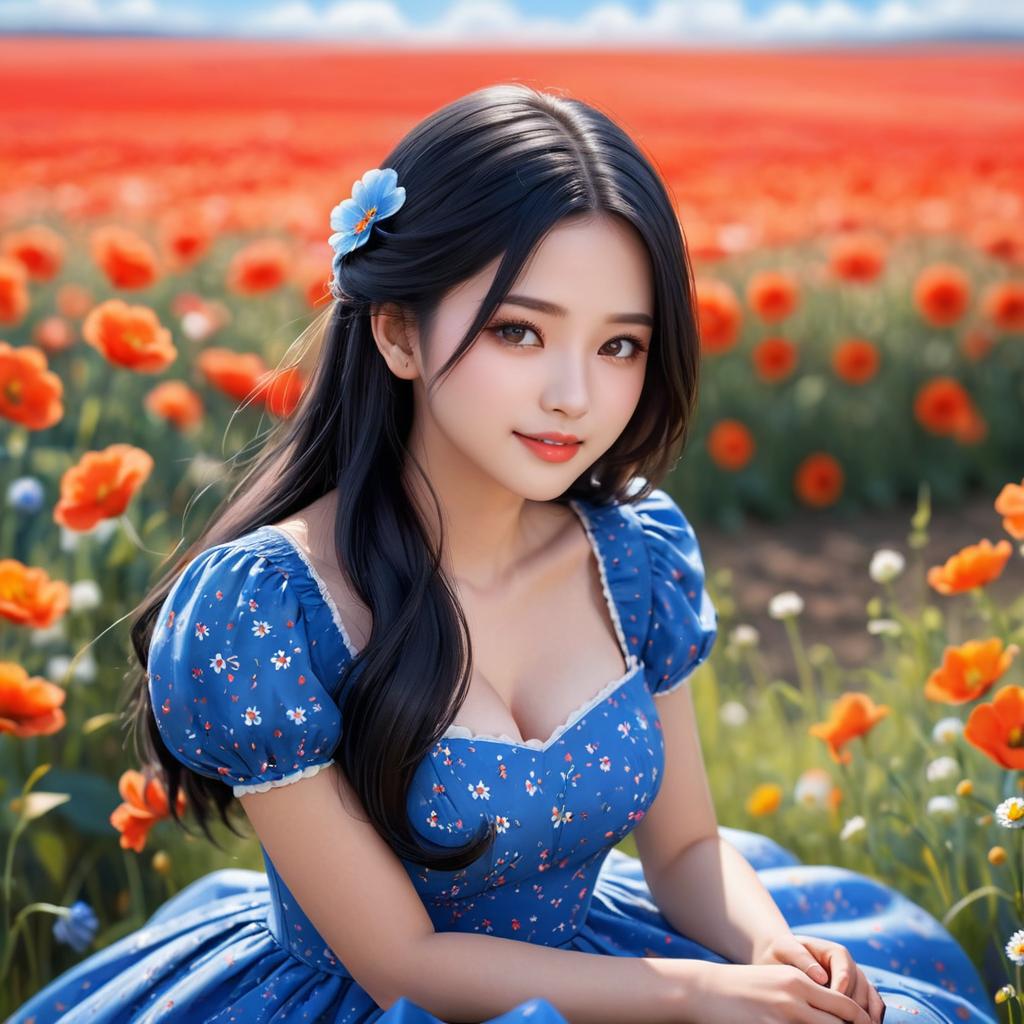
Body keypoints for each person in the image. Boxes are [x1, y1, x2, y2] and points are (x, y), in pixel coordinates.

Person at [10, 83, 997, 1024]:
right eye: (520, 332)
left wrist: (769, 952)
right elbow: (402, 962)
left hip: (615, 964)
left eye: (620, 346)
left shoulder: (630, 557)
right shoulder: (271, 604)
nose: (574, 394)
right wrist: (695, 996)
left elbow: (689, 847)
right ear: (396, 332)